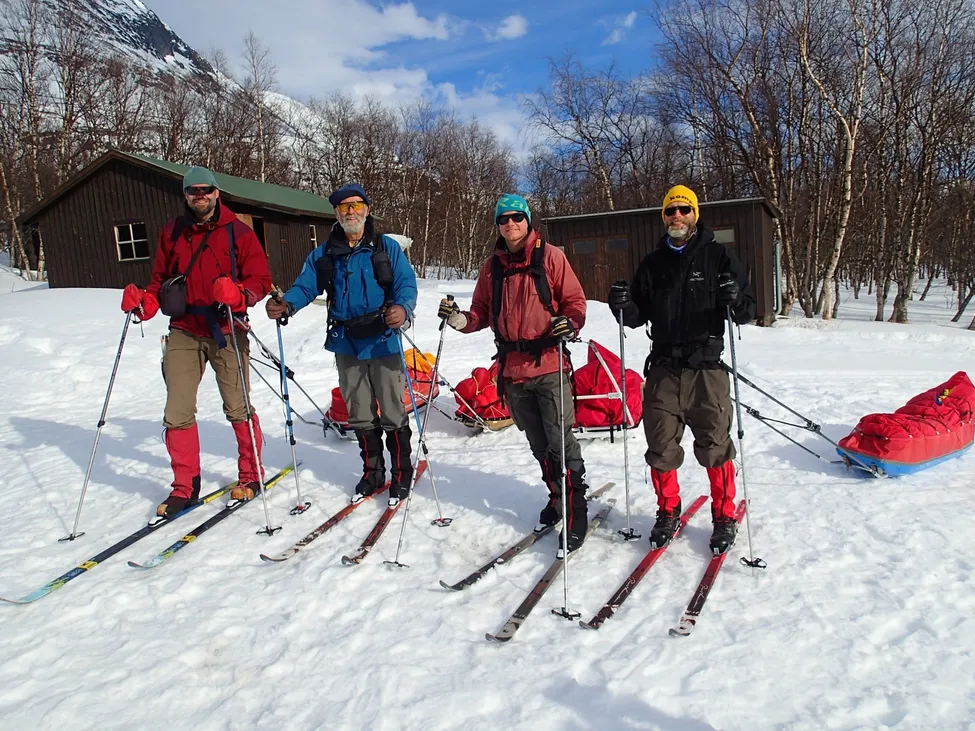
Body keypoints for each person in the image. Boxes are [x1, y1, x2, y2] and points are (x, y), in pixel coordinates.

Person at [438, 194, 590, 553]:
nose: (511, 224)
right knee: (538, 444)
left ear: (528, 221)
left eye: (517, 218)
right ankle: (556, 498)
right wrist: (459, 319)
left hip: (549, 364)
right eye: (503, 219)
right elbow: (480, 312)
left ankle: (576, 507)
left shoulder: (551, 256)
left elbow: (575, 302)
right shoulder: (492, 267)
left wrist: (570, 323)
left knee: (560, 439)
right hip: (513, 371)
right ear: (498, 225)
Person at [608, 184, 756, 555]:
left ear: (695, 215)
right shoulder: (653, 264)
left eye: (684, 210)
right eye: (671, 211)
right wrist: (622, 306)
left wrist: (733, 299)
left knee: (716, 447)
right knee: (660, 445)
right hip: (664, 369)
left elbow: (748, 310)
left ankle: (723, 515)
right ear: (664, 217)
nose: (677, 217)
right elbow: (637, 314)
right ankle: (668, 509)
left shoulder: (720, 257)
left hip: (707, 369)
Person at [120, 166, 272, 518]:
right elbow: (160, 280)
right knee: (177, 411)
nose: (199, 195)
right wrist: (146, 302)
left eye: (205, 190)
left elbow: (261, 280)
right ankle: (184, 486)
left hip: (226, 328)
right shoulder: (173, 232)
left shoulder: (238, 233)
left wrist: (240, 294)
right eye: (193, 191)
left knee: (237, 406)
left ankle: (250, 474)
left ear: (217, 193)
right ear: (185, 195)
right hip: (184, 328)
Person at [266, 184, 418, 504]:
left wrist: (402, 309)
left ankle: (402, 472)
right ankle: (373, 472)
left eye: (356, 205)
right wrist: (287, 304)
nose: (350, 211)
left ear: (366, 209)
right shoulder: (324, 254)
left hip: (383, 338)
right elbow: (305, 286)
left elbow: (406, 284)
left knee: (392, 410)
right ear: (337, 213)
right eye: (344, 207)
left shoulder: (385, 247)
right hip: (346, 341)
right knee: (360, 413)